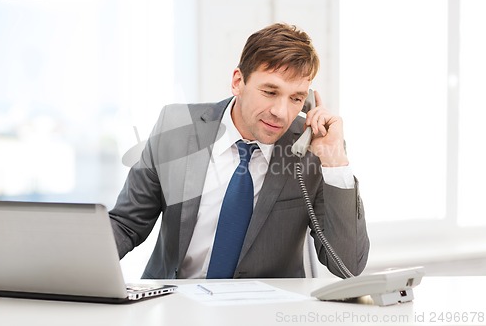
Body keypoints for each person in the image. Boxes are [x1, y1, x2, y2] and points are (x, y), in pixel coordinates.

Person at [109, 23, 369, 279]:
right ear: (237, 82)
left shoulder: (313, 150)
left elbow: (348, 265)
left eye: (296, 98)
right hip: (175, 303)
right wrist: (75, 269)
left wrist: (335, 162)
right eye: (270, 91)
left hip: (264, 311)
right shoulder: (177, 126)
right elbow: (126, 223)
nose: (281, 112)